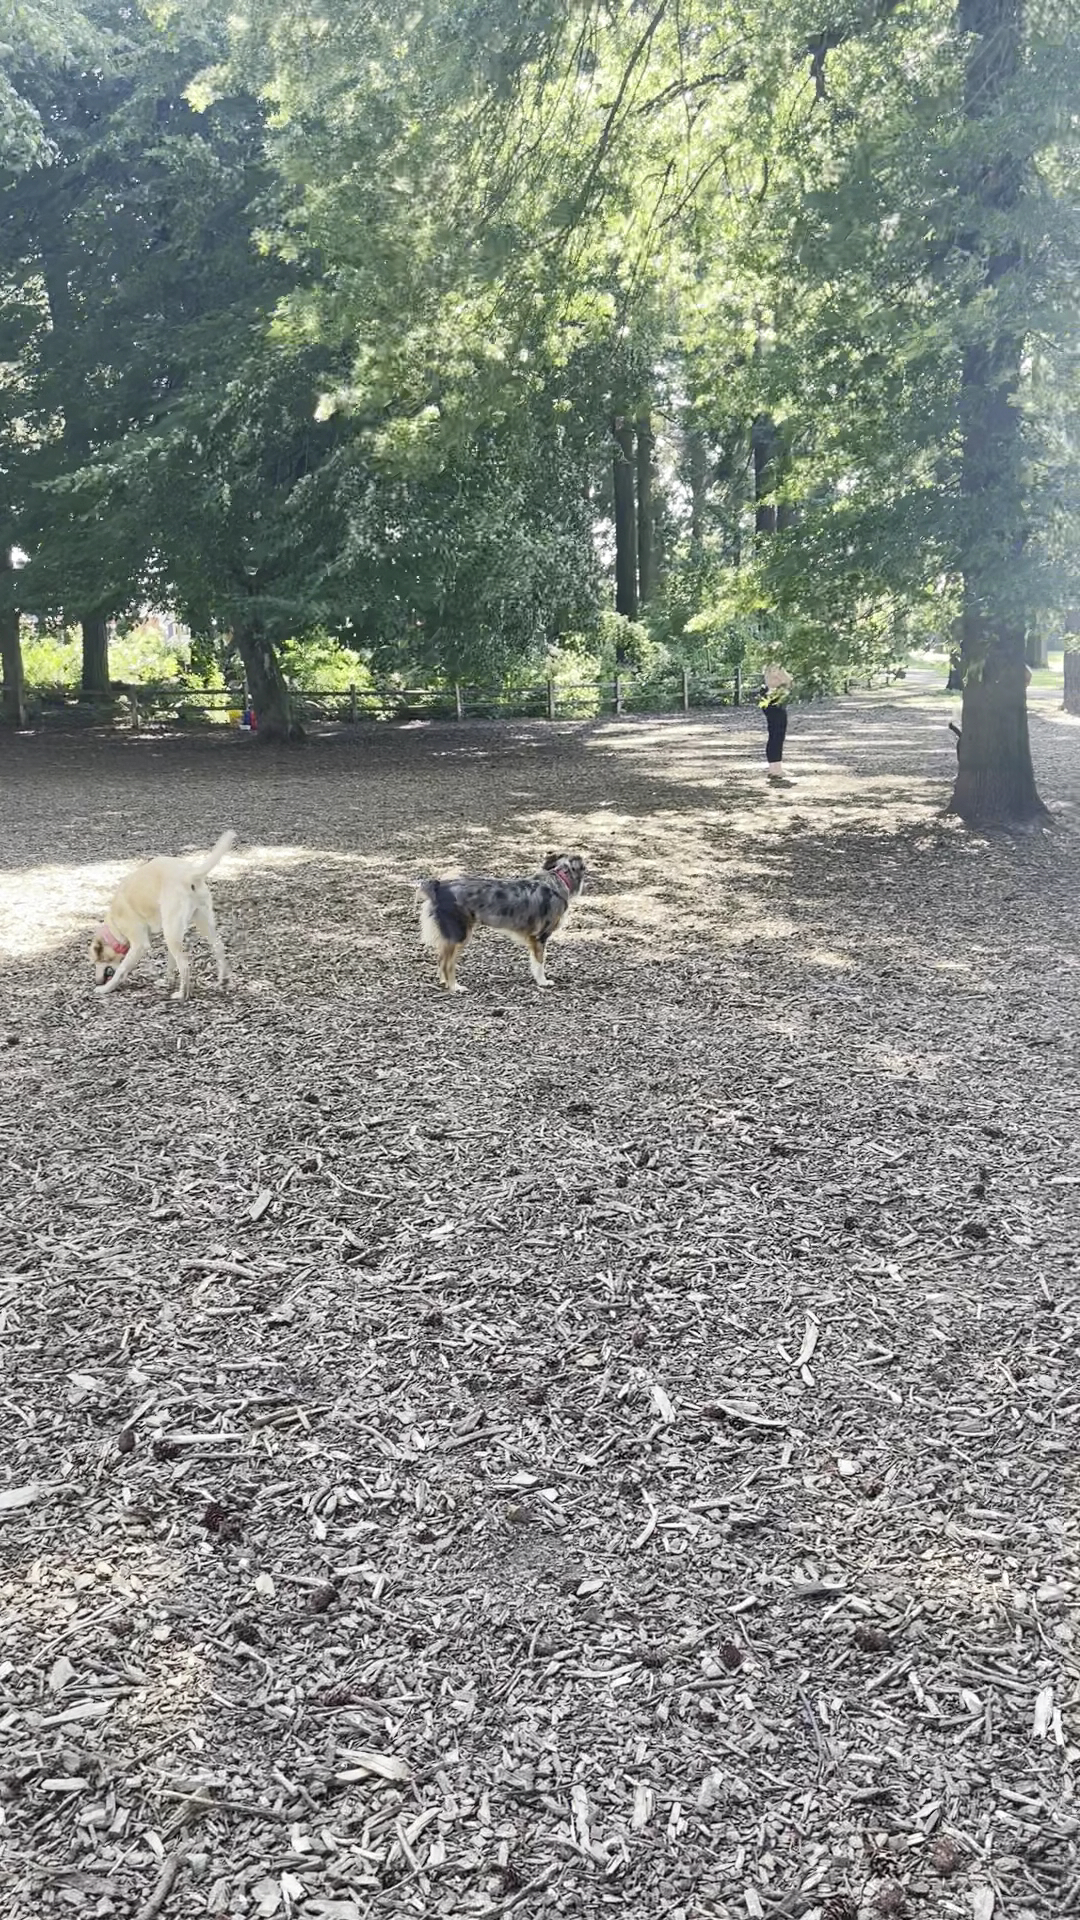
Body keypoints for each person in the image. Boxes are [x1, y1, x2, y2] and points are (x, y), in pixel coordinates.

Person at [757, 666, 793, 781]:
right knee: (776, 733)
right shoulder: (774, 664)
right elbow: (782, 680)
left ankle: (776, 766)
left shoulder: (775, 663)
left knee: (777, 733)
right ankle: (775, 769)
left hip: (775, 697)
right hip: (773, 698)